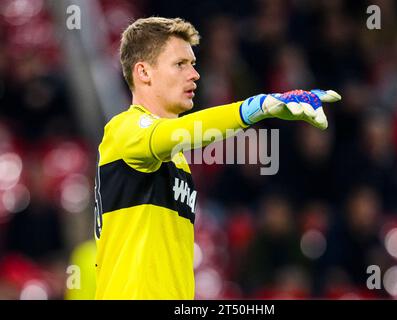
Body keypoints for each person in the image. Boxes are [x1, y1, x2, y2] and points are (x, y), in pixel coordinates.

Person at [94, 16, 341, 299]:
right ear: (144, 73)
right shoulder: (124, 130)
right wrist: (254, 108)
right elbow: (184, 132)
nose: (194, 74)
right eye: (180, 64)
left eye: (193, 64)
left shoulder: (176, 160)